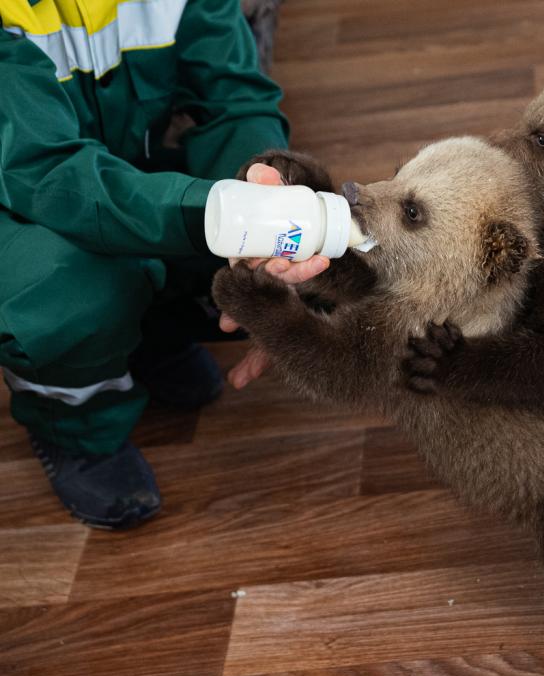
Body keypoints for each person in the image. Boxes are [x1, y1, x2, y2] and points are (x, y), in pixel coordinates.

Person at [0, 0, 325, 529]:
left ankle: (145, 334)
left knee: (237, 240)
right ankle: (76, 426)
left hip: (106, 171)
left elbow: (235, 100)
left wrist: (260, 189)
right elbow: (49, 173)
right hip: (18, 200)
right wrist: (224, 216)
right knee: (67, 293)